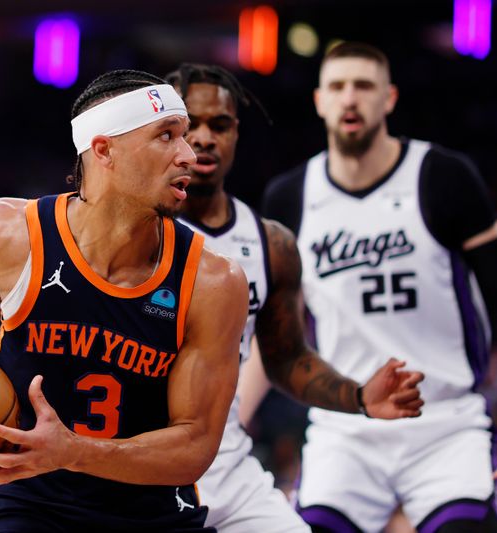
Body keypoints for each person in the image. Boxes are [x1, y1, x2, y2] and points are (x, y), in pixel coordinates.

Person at [0, 69, 250, 532]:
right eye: (167, 136)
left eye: (185, 137)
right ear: (104, 149)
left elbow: (194, 447)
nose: (189, 154)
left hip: (150, 511)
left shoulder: (214, 282)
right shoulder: (8, 233)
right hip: (25, 499)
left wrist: (73, 451)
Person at [261, 42, 497, 533]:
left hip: (445, 422)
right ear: (319, 100)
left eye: (364, 86)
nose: (350, 99)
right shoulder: (289, 198)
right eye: (338, 86)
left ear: (389, 98)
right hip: (346, 425)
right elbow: (277, 338)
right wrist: (230, 421)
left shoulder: (444, 176)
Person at [165, 63, 425, 532]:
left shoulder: (272, 244)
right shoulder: (137, 230)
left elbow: (287, 358)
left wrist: (360, 395)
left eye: (218, 125)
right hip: (141, 462)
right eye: (188, 126)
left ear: (235, 134)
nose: (203, 138)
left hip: (227, 465)